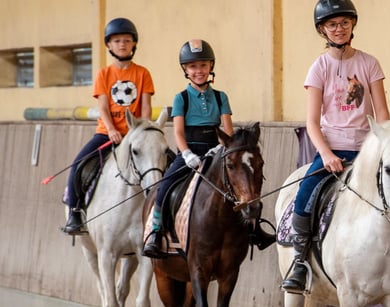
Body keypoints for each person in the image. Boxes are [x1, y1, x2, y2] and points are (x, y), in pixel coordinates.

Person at [281, 0, 390, 294]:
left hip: (369, 152)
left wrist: (387, 148)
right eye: (332, 25)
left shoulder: (370, 64)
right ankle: (300, 262)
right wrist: (327, 155)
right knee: (305, 193)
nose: (339, 29)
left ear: (353, 25)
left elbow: (382, 115)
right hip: (333, 153)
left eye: (344, 23)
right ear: (323, 30)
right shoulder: (319, 68)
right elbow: (312, 124)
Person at [142, 39, 275, 257]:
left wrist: (223, 149)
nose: (199, 71)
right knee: (165, 185)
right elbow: (178, 133)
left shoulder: (221, 96)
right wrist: (186, 154)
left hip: (216, 150)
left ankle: (254, 229)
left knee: (245, 183)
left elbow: (229, 132)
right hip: (189, 151)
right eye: (193, 66)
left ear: (211, 66)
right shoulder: (181, 98)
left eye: (203, 65)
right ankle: (156, 231)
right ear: (185, 69)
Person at [62, 18, 154, 235]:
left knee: (163, 162)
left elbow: (147, 107)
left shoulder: (143, 73)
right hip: (107, 133)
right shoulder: (104, 74)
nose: (122, 44)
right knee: (78, 165)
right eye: (117, 41)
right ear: (109, 45)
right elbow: (103, 107)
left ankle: (162, 214)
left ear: (134, 44)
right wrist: (112, 129)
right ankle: (75, 213)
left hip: (135, 133)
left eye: (127, 40)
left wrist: (142, 130)